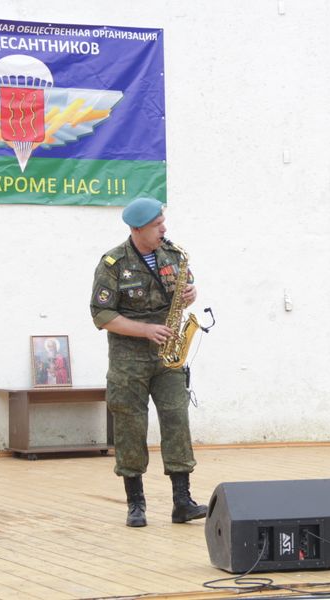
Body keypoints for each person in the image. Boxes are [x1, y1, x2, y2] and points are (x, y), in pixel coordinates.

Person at [90, 197, 206, 527]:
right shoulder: (113, 263)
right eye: (157, 225)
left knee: (176, 420)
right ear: (137, 228)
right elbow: (102, 314)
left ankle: (182, 502)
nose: (164, 229)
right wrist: (144, 330)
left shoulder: (172, 255)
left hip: (167, 354)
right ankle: (135, 503)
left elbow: (186, 286)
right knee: (130, 426)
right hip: (129, 358)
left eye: (163, 222)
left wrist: (189, 294)